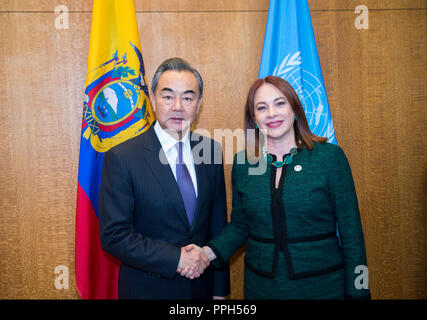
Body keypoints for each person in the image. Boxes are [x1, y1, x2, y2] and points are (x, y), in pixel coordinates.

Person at [181, 76, 371, 299]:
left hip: (324, 287)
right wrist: (206, 253)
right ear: (254, 118)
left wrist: (360, 292)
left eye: (280, 103)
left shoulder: (329, 158)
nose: (271, 113)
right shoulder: (244, 164)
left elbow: (352, 236)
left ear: (295, 109)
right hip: (261, 289)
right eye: (261, 107)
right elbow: (241, 227)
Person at [98, 57, 230, 299]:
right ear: (153, 99)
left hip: (201, 290)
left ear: (199, 104)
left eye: (188, 98)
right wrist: (176, 257)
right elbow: (114, 235)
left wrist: (219, 291)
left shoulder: (211, 151)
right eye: (168, 96)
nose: (178, 106)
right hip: (148, 289)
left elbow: (217, 226)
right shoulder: (122, 157)